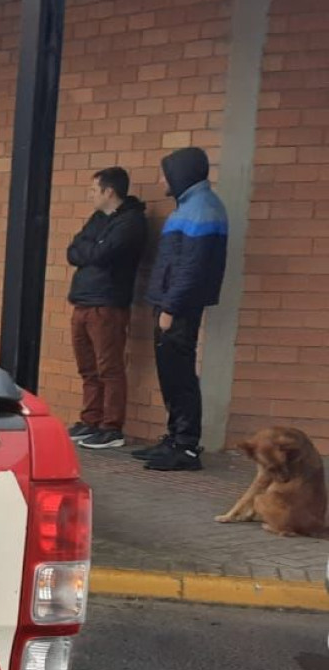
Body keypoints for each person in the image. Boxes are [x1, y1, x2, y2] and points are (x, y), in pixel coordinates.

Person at [133, 147, 228, 472]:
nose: (162, 180)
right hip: (170, 303)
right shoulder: (191, 205)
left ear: (181, 173)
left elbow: (192, 269)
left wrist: (170, 308)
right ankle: (174, 438)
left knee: (180, 375)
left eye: (165, 173)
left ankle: (186, 446)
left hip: (178, 307)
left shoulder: (202, 209)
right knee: (171, 374)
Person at [65, 167, 147, 450]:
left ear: (108, 191)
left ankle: (111, 427)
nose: (90, 195)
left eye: (93, 190)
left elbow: (102, 254)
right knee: (87, 368)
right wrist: (92, 248)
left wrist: (91, 249)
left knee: (108, 368)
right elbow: (73, 250)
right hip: (83, 301)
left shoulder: (131, 222)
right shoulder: (98, 218)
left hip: (108, 304)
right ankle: (90, 420)